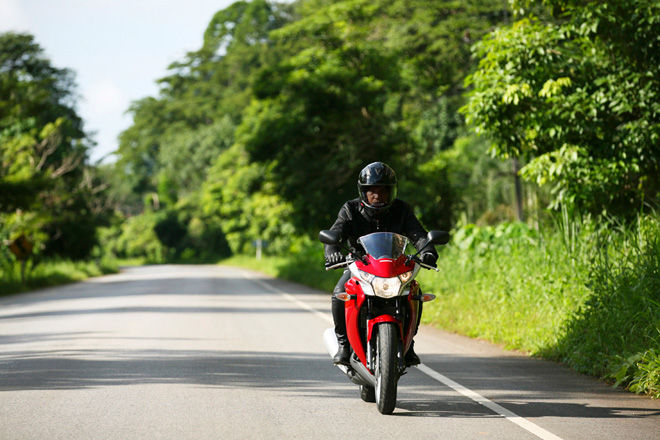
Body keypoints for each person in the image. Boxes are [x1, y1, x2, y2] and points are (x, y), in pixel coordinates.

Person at [324, 161, 438, 366]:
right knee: (339, 293)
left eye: (383, 191)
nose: (377, 196)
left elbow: (418, 235)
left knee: (414, 292)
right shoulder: (350, 209)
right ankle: (344, 345)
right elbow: (335, 233)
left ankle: (409, 344)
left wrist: (428, 250)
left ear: (391, 191)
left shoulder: (402, 209)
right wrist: (332, 252)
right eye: (372, 191)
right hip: (360, 266)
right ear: (363, 192)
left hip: (394, 266)